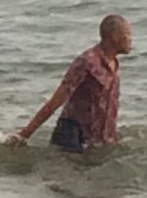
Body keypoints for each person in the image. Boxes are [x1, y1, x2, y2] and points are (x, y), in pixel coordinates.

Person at [9, 14, 132, 152]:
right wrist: (25, 134)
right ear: (115, 36)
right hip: (71, 136)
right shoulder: (87, 62)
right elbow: (55, 101)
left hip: (96, 142)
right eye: (128, 35)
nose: (131, 40)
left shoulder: (114, 64)